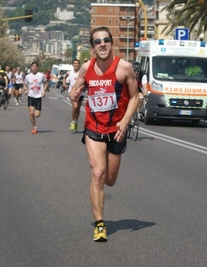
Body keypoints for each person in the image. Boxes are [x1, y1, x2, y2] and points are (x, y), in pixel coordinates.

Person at [69, 26, 138, 242]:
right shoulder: (87, 68)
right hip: (94, 129)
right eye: (97, 41)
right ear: (92, 47)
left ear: (111, 43)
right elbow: (75, 89)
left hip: (116, 131)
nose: (102, 44)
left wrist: (125, 122)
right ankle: (100, 224)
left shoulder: (124, 68)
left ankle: (98, 189)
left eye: (106, 40)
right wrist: (74, 93)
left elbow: (135, 97)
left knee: (110, 180)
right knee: (98, 174)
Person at [24, 61, 47, 134]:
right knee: (31, 113)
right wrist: (25, 90)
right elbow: (25, 84)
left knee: (37, 115)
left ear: (37, 67)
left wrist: (44, 90)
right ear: (31, 67)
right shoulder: (27, 76)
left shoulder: (41, 75)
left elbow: (46, 83)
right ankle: (34, 127)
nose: (34, 67)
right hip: (31, 96)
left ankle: (35, 126)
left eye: (35, 66)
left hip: (38, 97)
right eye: (33, 66)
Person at [63, 59, 83, 132]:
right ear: (72, 64)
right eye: (75, 63)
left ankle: (76, 121)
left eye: (77, 63)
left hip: (80, 93)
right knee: (75, 106)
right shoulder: (69, 73)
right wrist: (64, 84)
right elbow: (64, 78)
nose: (76, 64)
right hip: (71, 92)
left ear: (79, 64)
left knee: (78, 108)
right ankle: (73, 121)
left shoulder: (82, 73)